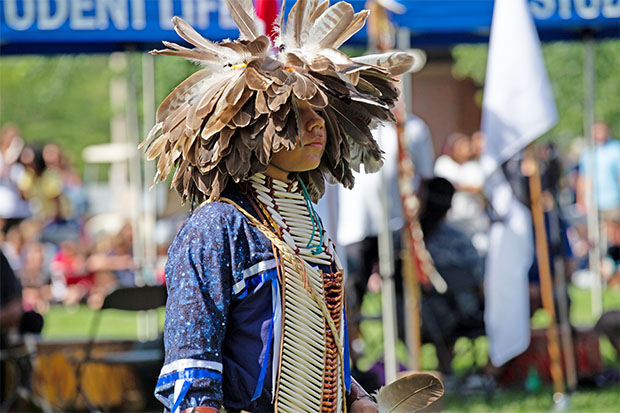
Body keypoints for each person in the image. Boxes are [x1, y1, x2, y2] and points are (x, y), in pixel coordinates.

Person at [142, 3, 416, 412]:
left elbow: (318, 340)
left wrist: (353, 395)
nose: (316, 123)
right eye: (296, 112)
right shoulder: (217, 228)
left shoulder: (306, 222)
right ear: (253, 125)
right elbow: (192, 369)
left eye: (320, 110)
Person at [577, 121, 620, 260]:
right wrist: (581, 199)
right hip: (595, 202)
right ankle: (602, 265)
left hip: (614, 199)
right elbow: (583, 177)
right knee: (596, 236)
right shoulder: (588, 153)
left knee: (615, 234)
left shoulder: (615, 149)